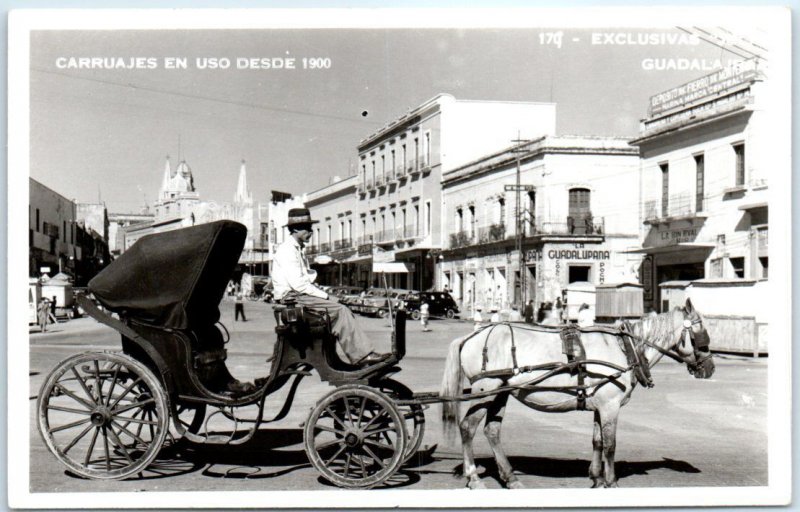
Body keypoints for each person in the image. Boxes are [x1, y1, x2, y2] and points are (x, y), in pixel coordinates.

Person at [272, 208, 387, 365]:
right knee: (340, 310)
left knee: (342, 308)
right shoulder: (287, 250)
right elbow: (299, 284)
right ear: (296, 229)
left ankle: (356, 352)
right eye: (307, 228)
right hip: (294, 298)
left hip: (298, 295)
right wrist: (327, 296)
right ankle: (361, 356)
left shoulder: (296, 249)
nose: (311, 232)